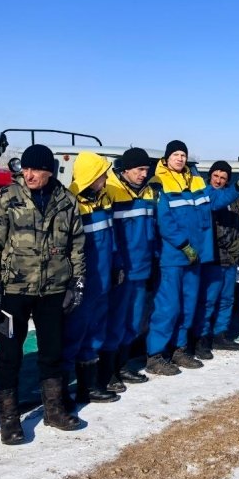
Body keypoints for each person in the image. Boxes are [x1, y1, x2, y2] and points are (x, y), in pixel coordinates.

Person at [0, 143, 86, 444]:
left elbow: (77, 245)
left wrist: (77, 282)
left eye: (36, 169)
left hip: (53, 291)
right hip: (12, 291)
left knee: (52, 352)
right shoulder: (6, 198)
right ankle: (9, 419)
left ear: (49, 171)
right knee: (8, 353)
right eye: (25, 169)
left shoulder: (66, 201)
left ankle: (53, 410)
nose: (29, 174)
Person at [148, 141, 239, 374]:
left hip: (196, 257)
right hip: (174, 257)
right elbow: (164, 220)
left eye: (183, 155)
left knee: (188, 306)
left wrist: (238, 188)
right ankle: (155, 355)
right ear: (166, 158)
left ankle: (179, 349)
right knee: (168, 307)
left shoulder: (196, 180)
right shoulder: (159, 181)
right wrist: (183, 245)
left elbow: (215, 200)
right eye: (175, 154)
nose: (180, 158)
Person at [62, 152, 120, 405]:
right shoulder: (70, 203)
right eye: (102, 175)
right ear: (91, 176)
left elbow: (111, 238)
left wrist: (117, 265)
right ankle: (61, 394)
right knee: (73, 336)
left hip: (102, 281)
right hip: (82, 283)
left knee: (95, 333)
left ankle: (88, 387)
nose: (106, 179)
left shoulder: (103, 198)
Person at [103, 147, 157, 384]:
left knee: (134, 320)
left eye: (146, 170)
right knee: (116, 320)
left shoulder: (148, 192)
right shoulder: (112, 192)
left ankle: (123, 365)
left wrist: (154, 258)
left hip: (142, 267)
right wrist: (116, 265)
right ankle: (108, 371)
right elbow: (110, 235)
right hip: (122, 270)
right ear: (125, 170)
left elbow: (151, 229)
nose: (144, 174)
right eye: (139, 169)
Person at [195, 161, 239, 359]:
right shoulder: (205, 196)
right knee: (208, 300)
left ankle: (220, 334)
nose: (218, 181)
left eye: (223, 178)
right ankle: (202, 338)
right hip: (213, 256)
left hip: (231, 257)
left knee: (227, 299)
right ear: (209, 176)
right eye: (216, 176)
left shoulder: (234, 201)